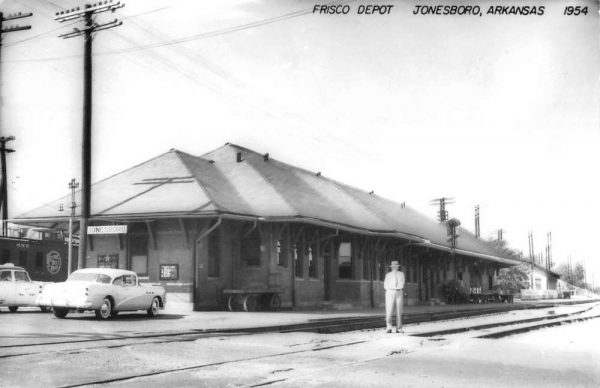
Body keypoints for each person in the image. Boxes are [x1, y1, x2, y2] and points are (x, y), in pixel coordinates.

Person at [384, 260, 405, 333]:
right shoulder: (388, 275)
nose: (395, 267)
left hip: (399, 291)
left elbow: (403, 282)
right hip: (390, 292)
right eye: (393, 266)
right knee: (389, 310)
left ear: (398, 267)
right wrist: (389, 291)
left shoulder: (401, 274)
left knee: (399, 310)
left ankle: (399, 328)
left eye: (396, 266)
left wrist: (399, 288)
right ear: (391, 267)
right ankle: (389, 328)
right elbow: (385, 284)